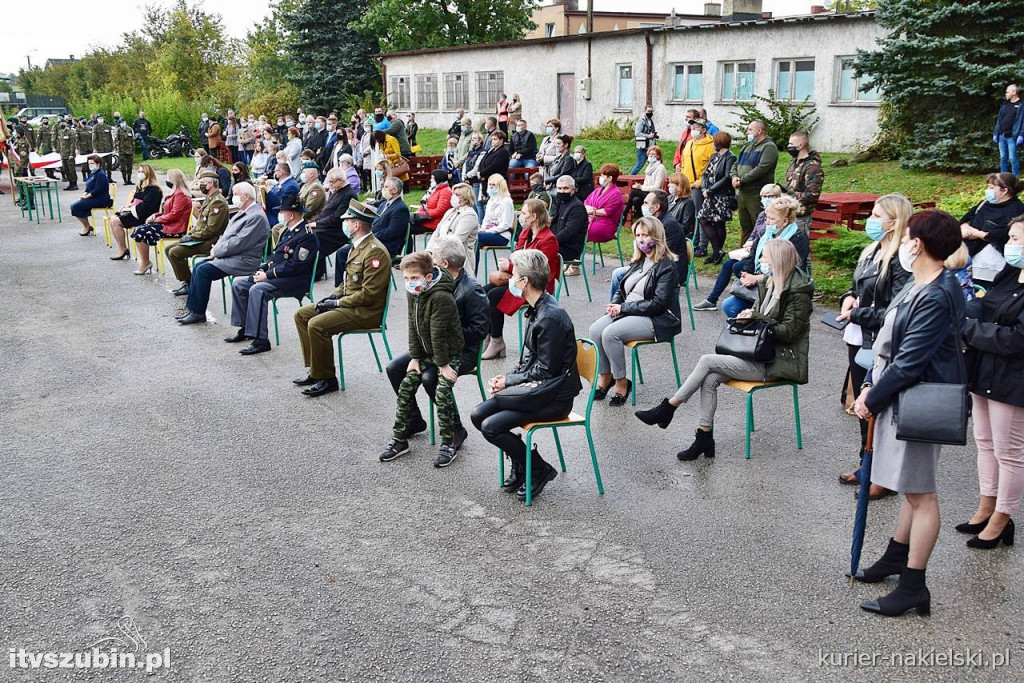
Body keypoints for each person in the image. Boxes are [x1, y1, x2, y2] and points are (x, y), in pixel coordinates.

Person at [851, 210, 966, 618]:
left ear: (917, 244)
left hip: (917, 402)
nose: (902, 241)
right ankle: (895, 558)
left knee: (921, 494)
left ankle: (914, 585)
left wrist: (872, 398)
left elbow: (909, 363)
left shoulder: (936, 294)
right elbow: (888, 342)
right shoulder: (921, 283)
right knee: (909, 486)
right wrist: (868, 382)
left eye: (908, 237)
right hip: (900, 395)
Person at [635, 239, 812, 461]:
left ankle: (668, 408)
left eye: (765, 257)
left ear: (777, 260)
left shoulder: (798, 290)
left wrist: (755, 317)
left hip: (777, 361)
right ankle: (704, 438)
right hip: (759, 352)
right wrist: (748, 317)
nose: (762, 261)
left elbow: (790, 332)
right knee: (710, 379)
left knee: (707, 361)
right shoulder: (770, 282)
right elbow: (762, 318)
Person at [471, 249, 583, 502]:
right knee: (479, 415)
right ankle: (524, 464)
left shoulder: (550, 317)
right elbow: (530, 361)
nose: (510, 278)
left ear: (525, 281)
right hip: (540, 389)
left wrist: (510, 381)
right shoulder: (536, 308)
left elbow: (547, 369)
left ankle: (537, 468)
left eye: (515, 274)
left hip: (554, 397)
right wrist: (507, 378)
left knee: (491, 425)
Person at [835, 194, 913, 500]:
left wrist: (857, 313)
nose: (872, 220)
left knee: (877, 405)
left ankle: (883, 473)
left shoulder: (900, 260)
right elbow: (856, 287)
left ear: (895, 222)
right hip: (858, 337)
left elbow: (896, 310)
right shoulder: (871, 251)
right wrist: (848, 298)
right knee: (862, 406)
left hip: (880, 339)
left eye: (878, 215)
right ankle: (866, 462)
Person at [385, 237, 488, 456]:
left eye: (433, 256)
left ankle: (455, 430)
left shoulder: (471, 290)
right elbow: (416, 323)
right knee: (395, 368)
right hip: (433, 346)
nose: (428, 259)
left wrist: (449, 332)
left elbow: (479, 331)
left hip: (461, 350)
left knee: (429, 377)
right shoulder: (427, 283)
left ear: (444, 264)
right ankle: (412, 421)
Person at [961, 214, 1024, 549]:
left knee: (1009, 452)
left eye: (1016, 239)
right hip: (985, 370)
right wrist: (967, 312)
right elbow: (983, 305)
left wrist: (969, 329)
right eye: (1011, 238)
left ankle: (1003, 517)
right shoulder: (1011, 272)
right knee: (984, 442)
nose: (1010, 244)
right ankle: (987, 504)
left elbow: (1016, 340)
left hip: (1013, 379)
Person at [292, 200, 389, 394]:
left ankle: (328, 379)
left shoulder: (374, 252)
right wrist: (331, 296)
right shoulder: (358, 245)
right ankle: (316, 369)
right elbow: (347, 281)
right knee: (302, 314)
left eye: (348, 220)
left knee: (317, 325)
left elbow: (369, 294)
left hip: (365, 311)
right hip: (349, 304)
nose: (344, 223)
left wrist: (336, 303)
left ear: (357, 225)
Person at [380, 252, 466, 465]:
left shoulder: (441, 297)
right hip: (428, 353)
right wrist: (416, 358)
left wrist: (444, 365)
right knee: (406, 386)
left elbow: (437, 334)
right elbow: (414, 327)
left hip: (448, 353)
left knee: (442, 391)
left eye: (415, 278)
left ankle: (448, 443)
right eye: (407, 279)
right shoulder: (414, 293)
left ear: (428, 277)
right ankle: (400, 439)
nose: (410, 283)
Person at [590, 216, 681, 406]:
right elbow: (621, 289)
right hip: (630, 310)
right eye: (638, 235)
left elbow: (658, 304)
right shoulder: (639, 261)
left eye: (645, 235)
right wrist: (614, 305)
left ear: (656, 237)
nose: (641, 240)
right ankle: (606, 377)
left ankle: (622, 383)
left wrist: (623, 308)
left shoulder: (667, 267)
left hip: (656, 317)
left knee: (610, 334)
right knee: (595, 330)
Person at [226, 195, 318, 356]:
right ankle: (246, 328)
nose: (280, 214)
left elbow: (295, 266)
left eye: (282, 211)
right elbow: (276, 256)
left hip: (294, 280)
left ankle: (261, 340)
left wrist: (267, 275)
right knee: (239, 284)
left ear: (291, 214)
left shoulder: (306, 235)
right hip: (279, 276)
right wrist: (263, 268)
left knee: (258, 290)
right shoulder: (287, 231)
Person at [176, 183, 272, 325]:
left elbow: (239, 243)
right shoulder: (243, 212)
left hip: (244, 260)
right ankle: (193, 309)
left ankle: (198, 312)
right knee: (199, 266)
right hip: (233, 256)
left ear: (246, 197)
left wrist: (217, 251)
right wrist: (216, 250)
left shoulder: (256, 216)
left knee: (203, 270)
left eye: (236, 194)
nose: (233, 197)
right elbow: (226, 236)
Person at [481, 199, 561, 360]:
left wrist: (510, 267)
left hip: (535, 285)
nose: (520, 216)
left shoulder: (548, 239)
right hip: (519, 279)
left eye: (524, 213)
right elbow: (517, 257)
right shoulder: (525, 233)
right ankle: (489, 335)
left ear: (534, 217)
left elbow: (538, 270)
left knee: (494, 295)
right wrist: (508, 265)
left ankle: (497, 341)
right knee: (484, 291)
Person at [694, 183, 783, 312]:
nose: (766, 199)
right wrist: (750, 243)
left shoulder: (779, 220)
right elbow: (754, 234)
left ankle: (750, 298)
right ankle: (712, 300)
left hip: (766, 259)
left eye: (770, 196)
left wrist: (754, 245)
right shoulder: (762, 214)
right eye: (763, 196)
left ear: (778, 197)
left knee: (736, 267)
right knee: (728, 264)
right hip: (754, 253)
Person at [717, 194, 808, 319]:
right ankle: (751, 331)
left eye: (771, 219)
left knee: (743, 311)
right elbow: (752, 256)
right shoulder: (765, 233)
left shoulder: (797, 239)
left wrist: (757, 278)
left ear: (785, 221)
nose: (767, 222)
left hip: (780, 290)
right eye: (767, 218)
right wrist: (746, 275)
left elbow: (790, 273)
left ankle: (759, 331)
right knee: (729, 305)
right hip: (760, 286)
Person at [165, 171, 230, 287]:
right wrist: (190, 234)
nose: (201, 185)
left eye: (203, 183)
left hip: (210, 242)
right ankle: (187, 280)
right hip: (201, 238)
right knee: (168, 249)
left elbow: (211, 230)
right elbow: (200, 224)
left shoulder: (218, 202)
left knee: (174, 252)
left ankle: (190, 284)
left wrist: (192, 237)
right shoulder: (209, 198)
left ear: (211, 184)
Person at [959, 173, 1024, 286]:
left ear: (1004, 191)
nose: (987, 190)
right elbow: (967, 218)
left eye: (991, 188)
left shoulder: (1017, 209)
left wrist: (978, 233)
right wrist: (964, 227)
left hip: (992, 266)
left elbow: (1003, 234)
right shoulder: (985, 203)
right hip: (970, 260)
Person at [129, 169, 192, 274]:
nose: (166, 180)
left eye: (168, 178)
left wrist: (157, 220)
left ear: (174, 180)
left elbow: (174, 215)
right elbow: (166, 212)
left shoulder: (181, 195)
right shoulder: (174, 193)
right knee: (140, 229)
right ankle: (145, 261)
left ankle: (145, 263)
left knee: (140, 231)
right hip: (169, 224)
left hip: (175, 228)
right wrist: (155, 215)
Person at [731, 120, 779, 245]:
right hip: (743, 192)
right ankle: (744, 251)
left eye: (750, 130)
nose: (748, 132)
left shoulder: (769, 147)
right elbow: (736, 163)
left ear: (759, 131)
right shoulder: (747, 145)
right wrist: (734, 176)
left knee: (758, 224)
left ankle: (758, 251)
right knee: (745, 225)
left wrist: (743, 179)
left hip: (757, 192)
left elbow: (763, 168)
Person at [310, 167, 359, 281]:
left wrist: (317, 224)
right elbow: (325, 210)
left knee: (314, 236)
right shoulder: (337, 191)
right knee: (308, 233)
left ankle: (316, 272)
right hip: (327, 225)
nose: (329, 184)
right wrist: (314, 222)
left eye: (332, 181)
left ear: (340, 181)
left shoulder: (348, 194)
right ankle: (314, 269)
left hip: (338, 230)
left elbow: (337, 217)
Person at [698, 131, 738, 265]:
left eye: (715, 142)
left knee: (719, 222)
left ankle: (717, 252)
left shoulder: (730, 157)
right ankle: (717, 251)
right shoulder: (714, 156)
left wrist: (711, 189)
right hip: (709, 194)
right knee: (704, 220)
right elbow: (705, 174)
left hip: (721, 195)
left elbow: (727, 177)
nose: (713, 144)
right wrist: (704, 188)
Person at [108, 164, 162, 260]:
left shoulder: (153, 189)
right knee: (113, 219)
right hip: (136, 212)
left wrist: (130, 209)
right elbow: (135, 200)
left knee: (116, 221)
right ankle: (122, 248)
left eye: (143, 172)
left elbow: (146, 207)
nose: (140, 174)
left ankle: (123, 249)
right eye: (139, 172)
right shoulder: (140, 186)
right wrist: (127, 206)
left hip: (144, 216)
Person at [680, 119, 714, 244]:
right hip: (687, 183)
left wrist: (699, 182)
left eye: (696, 127)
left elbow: (711, 167)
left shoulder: (710, 145)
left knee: (701, 215)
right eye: (692, 127)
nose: (693, 129)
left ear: (704, 129)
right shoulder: (690, 143)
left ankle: (702, 243)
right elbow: (684, 161)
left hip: (698, 185)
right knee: (690, 214)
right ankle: (693, 239)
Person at [784, 131, 824, 238]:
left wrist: (790, 197)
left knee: (800, 250)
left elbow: (812, 194)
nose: (788, 147)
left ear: (800, 145)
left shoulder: (812, 167)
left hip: (801, 216)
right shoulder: (794, 163)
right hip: (789, 213)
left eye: (791, 144)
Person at [428, 182, 479, 258]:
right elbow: (437, 231)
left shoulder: (469, 214)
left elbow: (457, 239)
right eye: (453, 194)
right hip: (440, 252)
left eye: (457, 195)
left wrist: (437, 249)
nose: (453, 197)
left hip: (457, 257)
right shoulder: (450, 211)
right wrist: (429, 250)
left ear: (466, 198)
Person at [476, 174, 516, 269]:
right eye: (490, 184)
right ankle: (472, 271)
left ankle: (473, 272)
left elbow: (506, 224)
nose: (491, 187)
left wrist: (488, 231)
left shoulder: (506, 201)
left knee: (474, 237)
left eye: (494, 185)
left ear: (500, 186)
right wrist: (483, 228)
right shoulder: (491, 201)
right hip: (488, 233)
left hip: (502, 236)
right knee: (474, 242)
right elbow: (486, 219)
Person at [550, 175, 588, 273]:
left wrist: (549, 242)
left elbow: (568, 232)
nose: (562, 191)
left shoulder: (577, 207)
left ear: (574, 189)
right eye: (559, 188)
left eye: (566, 188)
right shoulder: (559, 202)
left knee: (536, 255)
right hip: (557, 243)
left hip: (569, 248)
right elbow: (551, 223)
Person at [70, 155, 112, 237]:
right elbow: (88, 187)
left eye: (92, 163)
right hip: (93, 197)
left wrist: (87, 196)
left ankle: (87, 226)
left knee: (76, 206)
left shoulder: (101, 174)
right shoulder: (92, 174)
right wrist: (85, 193)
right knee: (74, 205)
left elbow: (98, 190)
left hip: (101, 199)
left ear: (98, 164)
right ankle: (87, 226)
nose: (90, 166)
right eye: (89, 164)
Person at [585, 164, 626, 248]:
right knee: (574, 227)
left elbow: (607, 211)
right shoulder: (597, 190)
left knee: (581, 231)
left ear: (610, 178)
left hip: (606, 225)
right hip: (591, 219)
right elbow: (586, 202)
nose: (600, 177)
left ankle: (576, 257)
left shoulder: (616, 194)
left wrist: (592, 211)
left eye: (603, 176)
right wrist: (588, 209)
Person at [626, 146, 667, 221]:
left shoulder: (660, 168)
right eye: (649, 154)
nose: (650, 156)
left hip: (656, 193)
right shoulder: (648, 168)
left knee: (634, 192)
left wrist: (641, 187)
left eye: (653, 154)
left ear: (658, 156)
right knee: (636, 199)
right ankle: (643, 219)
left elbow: (657, 186)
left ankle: (625, 213)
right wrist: (640, 186)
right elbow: (646, 183)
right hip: (647, 192)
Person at [411, 170, 452, 237]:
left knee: (405, 229)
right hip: (427, 220)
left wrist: (423, 214)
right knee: (403, 225)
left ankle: (405, 247)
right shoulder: (434, 190)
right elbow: (424, 205)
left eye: (432, 178)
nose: (430, 180)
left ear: (438, 179)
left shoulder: (446, 191)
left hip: (434, 223)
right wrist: (417, 213)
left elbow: (440, 211)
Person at [994, 84, 1024, 175]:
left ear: (1014, 93)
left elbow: (1023, 121)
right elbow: (999, 120)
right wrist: (996, 133)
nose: (1006, 94)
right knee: (1003, 158)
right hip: (1001, 135)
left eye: (1007, 92)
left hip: (1012, 136)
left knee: (1013, 158)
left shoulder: (1021, 105)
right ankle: (1003, 179)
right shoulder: (1004, 104)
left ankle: (1015, 179)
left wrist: (1021, 135)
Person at [265, 164, 301, 233]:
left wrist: (268, 191)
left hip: (276, 217)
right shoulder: (283, 183)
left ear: (281, 172)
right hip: (270, 214)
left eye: (276, 171)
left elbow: (281, 203)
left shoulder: (291, 186)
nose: (274, 173)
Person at [630, 106, 658, 175]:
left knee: (653, 165)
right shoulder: (641, 122)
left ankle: (650, 179)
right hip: (643, 148)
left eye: (651, 111)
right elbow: (637, 133)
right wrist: (648, 136)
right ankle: (630, 177)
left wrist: (654, 135)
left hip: (651, 148)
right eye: (648, 111)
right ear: (645, 111)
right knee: (640, 164)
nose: (650, 113)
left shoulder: (651, 121)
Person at [666, 173, 695, 238]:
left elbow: (685, 227)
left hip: (678, 236)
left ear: (679, 185)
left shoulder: (688, 203)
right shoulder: (669, 198)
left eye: (671, 183)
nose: (668, 185)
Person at [58, 119, 79, 190]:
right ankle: (70, 184)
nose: (62, 124)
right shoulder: (60, 132)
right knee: (65, 170)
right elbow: (60, 144)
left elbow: (72, 144)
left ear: (66, 124)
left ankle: (74, 184)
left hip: (69, 154)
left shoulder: (70, 132)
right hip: (63, 154)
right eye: (61, 123)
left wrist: (71, 154)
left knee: (71, 170)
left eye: (63, 123)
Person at [113, 121, 135, 185]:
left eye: (124, 122)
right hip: (122, 151)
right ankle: (125, 180)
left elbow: (132, 140)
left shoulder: (130, 129)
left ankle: (129, 179)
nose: (123, 124)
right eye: (122, 122)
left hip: (130, 150)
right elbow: (116, 140)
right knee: (123, 167)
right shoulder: (118, 130)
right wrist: (116, 149)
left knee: (130, 166)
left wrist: (133, 149)